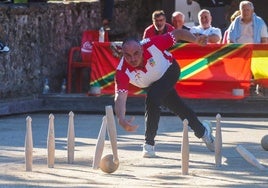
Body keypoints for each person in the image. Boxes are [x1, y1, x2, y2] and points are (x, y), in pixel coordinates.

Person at [114, 29, 215, 158]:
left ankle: (148, 144)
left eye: (136, 53)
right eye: (128, 55)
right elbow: (120, 97)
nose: (133, 59)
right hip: (153, 85)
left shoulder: (152, 44)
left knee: (152, 98)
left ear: (142, 48)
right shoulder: (122, 71)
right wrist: (121, 119)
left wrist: (196, 40)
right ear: (123, 54)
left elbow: (178, 34)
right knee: (179, 108)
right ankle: (204, 132)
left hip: (170, 70)